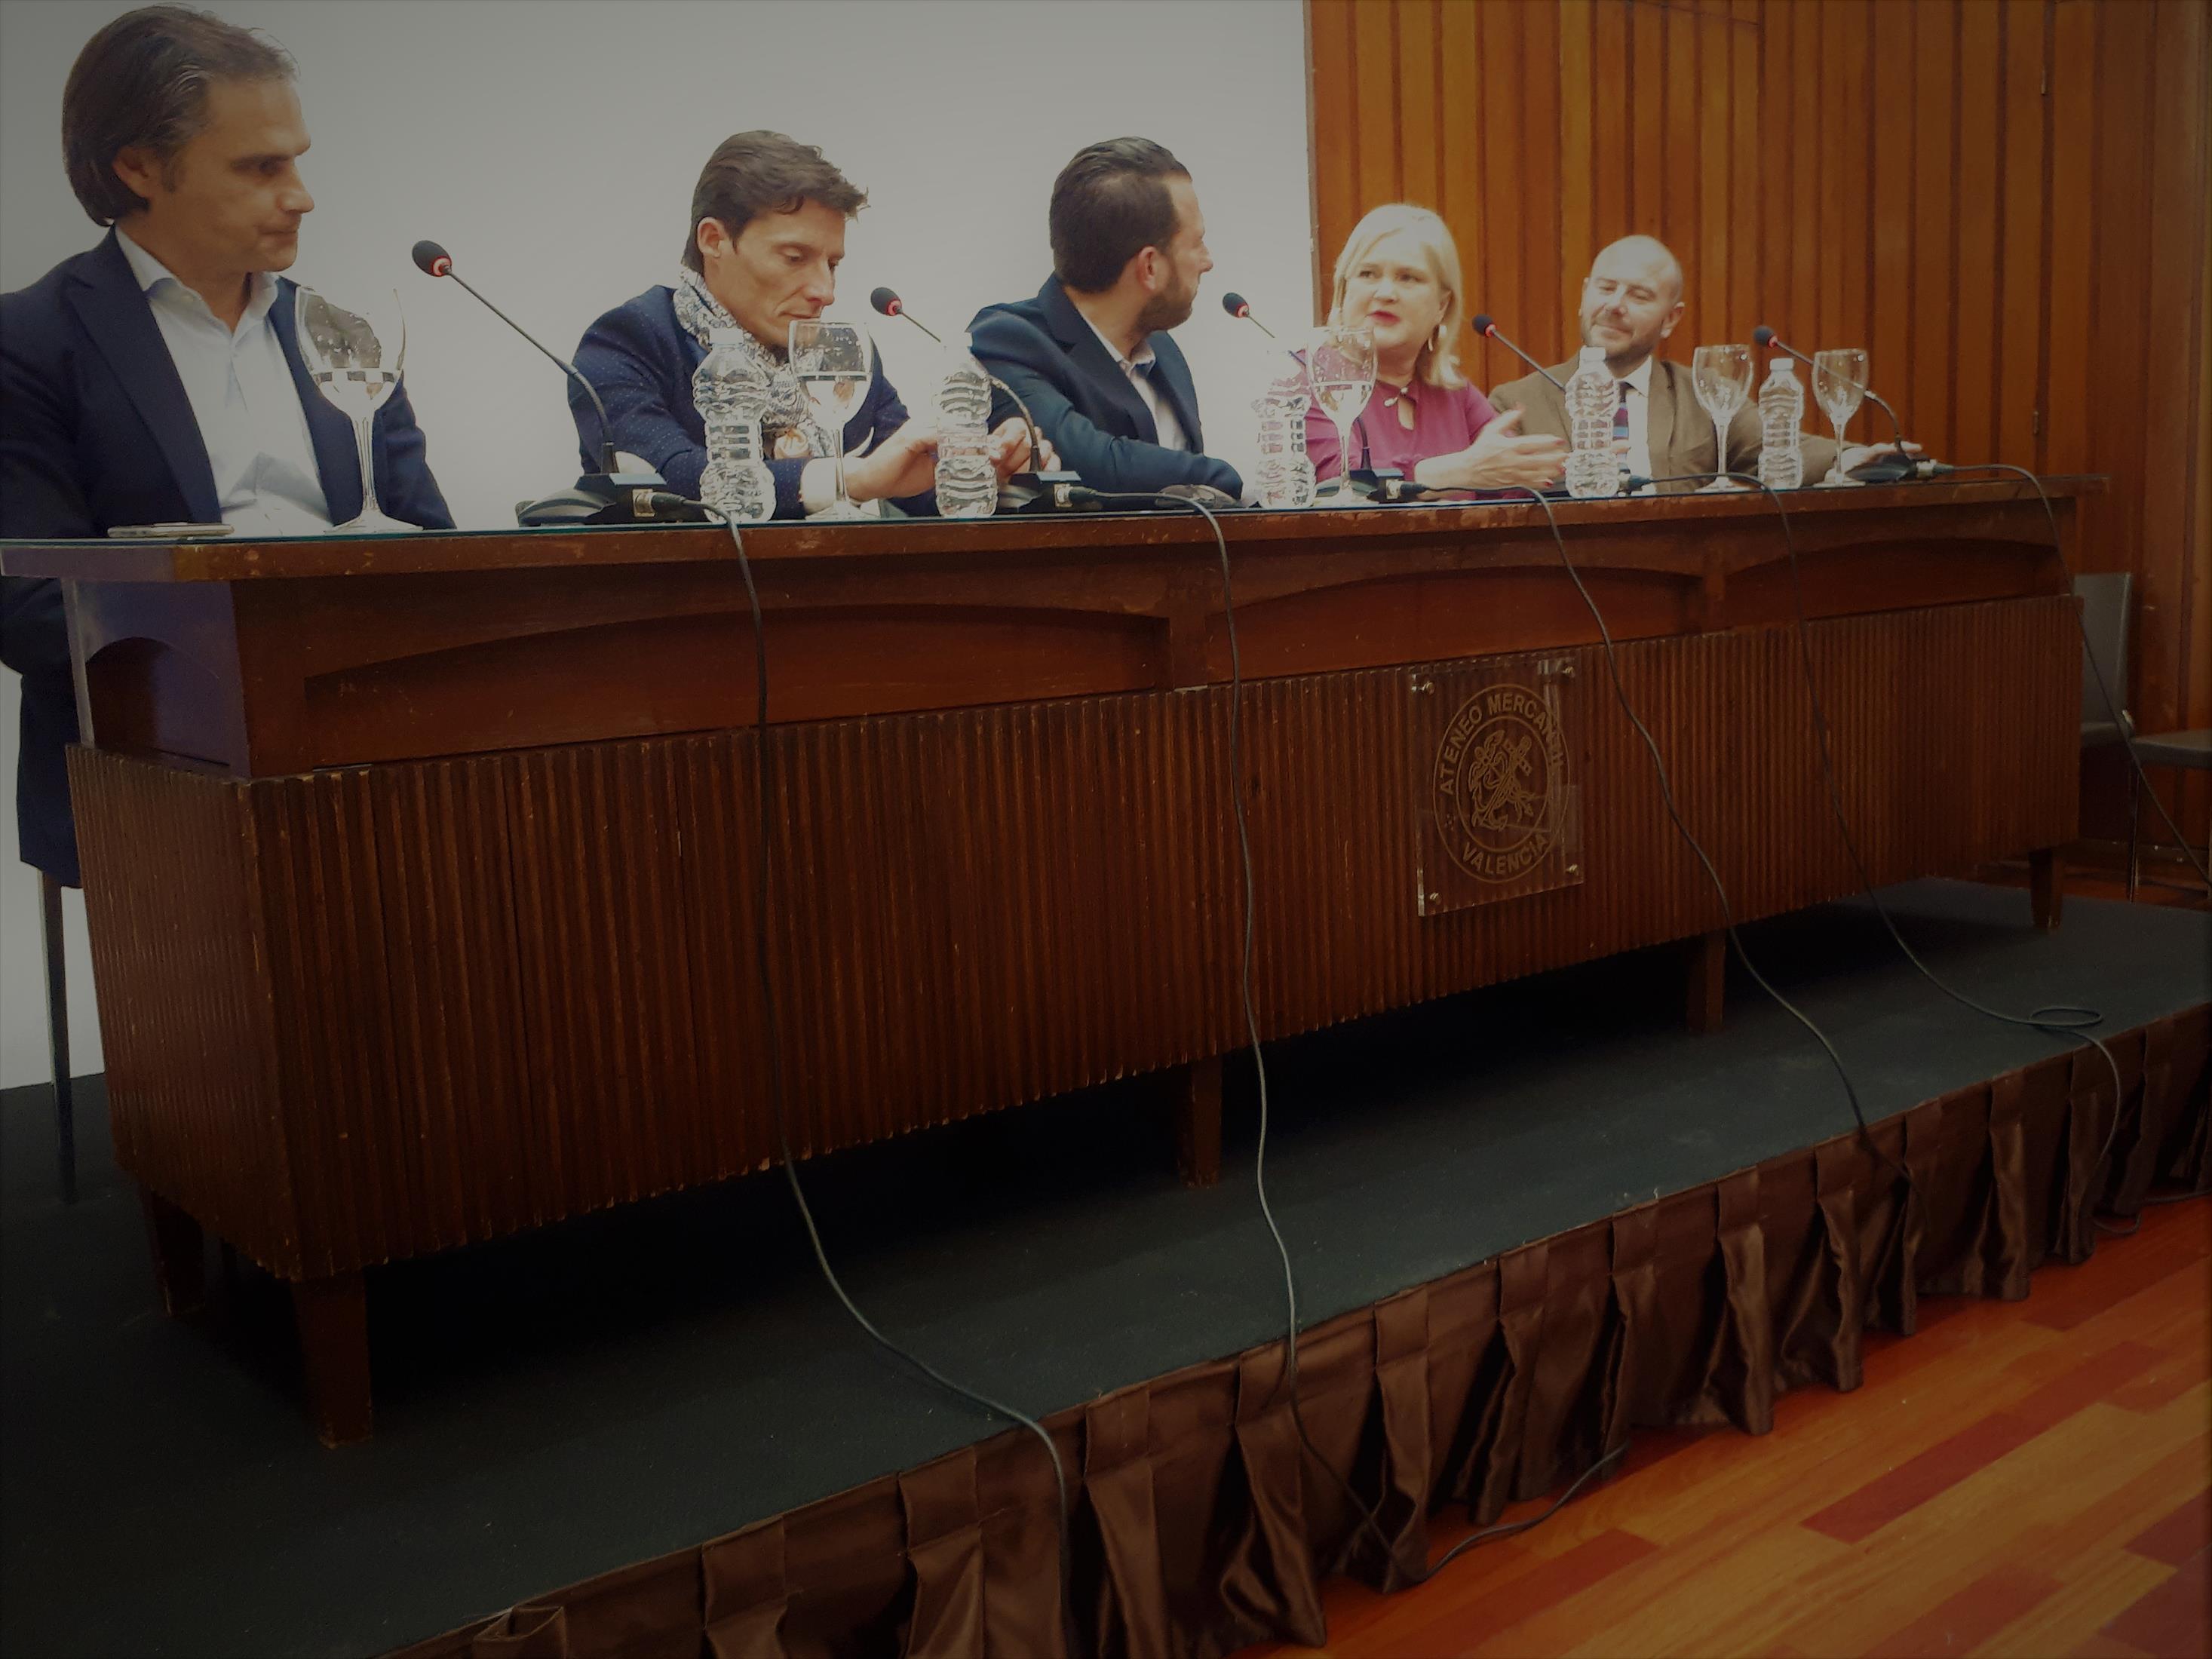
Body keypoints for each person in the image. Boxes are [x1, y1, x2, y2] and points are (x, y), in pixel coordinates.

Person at [0, 4, 451, 889]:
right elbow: (30, 605)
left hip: (368, 754)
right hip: (152, 781)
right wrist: (263, 657)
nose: (302, 194)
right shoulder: (31, 342)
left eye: (297, 160)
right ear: (139, 167)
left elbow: (426, 541)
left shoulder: (342, 333)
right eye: (260, 166)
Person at [572, 130, 1038, 519]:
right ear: (714, 241)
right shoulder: (630, 341)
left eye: (832, 264)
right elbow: (673, 478)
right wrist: (851, 479)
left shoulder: (838, 352)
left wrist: (977, 467)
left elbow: (910, 488)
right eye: (795, 258)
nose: (825, 291)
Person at [1488, 235, 1914, 491]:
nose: (1615, 305)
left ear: (1671, 319)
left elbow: (1779, 445)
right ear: (1584, 296)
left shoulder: (1704, 394)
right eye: (1605, 288)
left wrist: (1851, 457)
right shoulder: (1516, 403)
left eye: (1639, 295)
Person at [970, 138, 1243, 501]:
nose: (1207, 261)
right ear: (1150, 267)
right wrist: (1235, 480)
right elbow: (1096, 463)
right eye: (1197, 243)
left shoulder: (1163, 352)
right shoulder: (1007, 343)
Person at [1305, 204, 1566, 495]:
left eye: (1408, 278)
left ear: (1442, 306)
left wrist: (1563, 470)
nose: (1385, 293)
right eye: (1368, 274)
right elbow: (1341, 483)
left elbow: (1513, 484)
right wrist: (1460, 473)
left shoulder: (1456, 394)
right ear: (1345, 289)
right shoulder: (1310, 378)